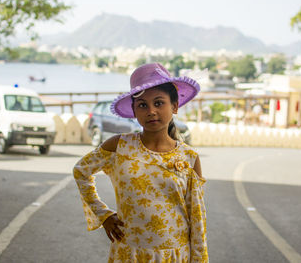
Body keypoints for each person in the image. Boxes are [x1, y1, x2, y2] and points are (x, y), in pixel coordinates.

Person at [74, 63, 208, 262]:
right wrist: (103, 215)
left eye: (159, 102)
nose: (151, 111)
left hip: (173, 255)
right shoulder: (119, 146)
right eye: (143, 105)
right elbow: (81, 171)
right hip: (129, 253)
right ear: (134, 111)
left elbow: (197, 218)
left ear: (175, 106)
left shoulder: (189, 158)